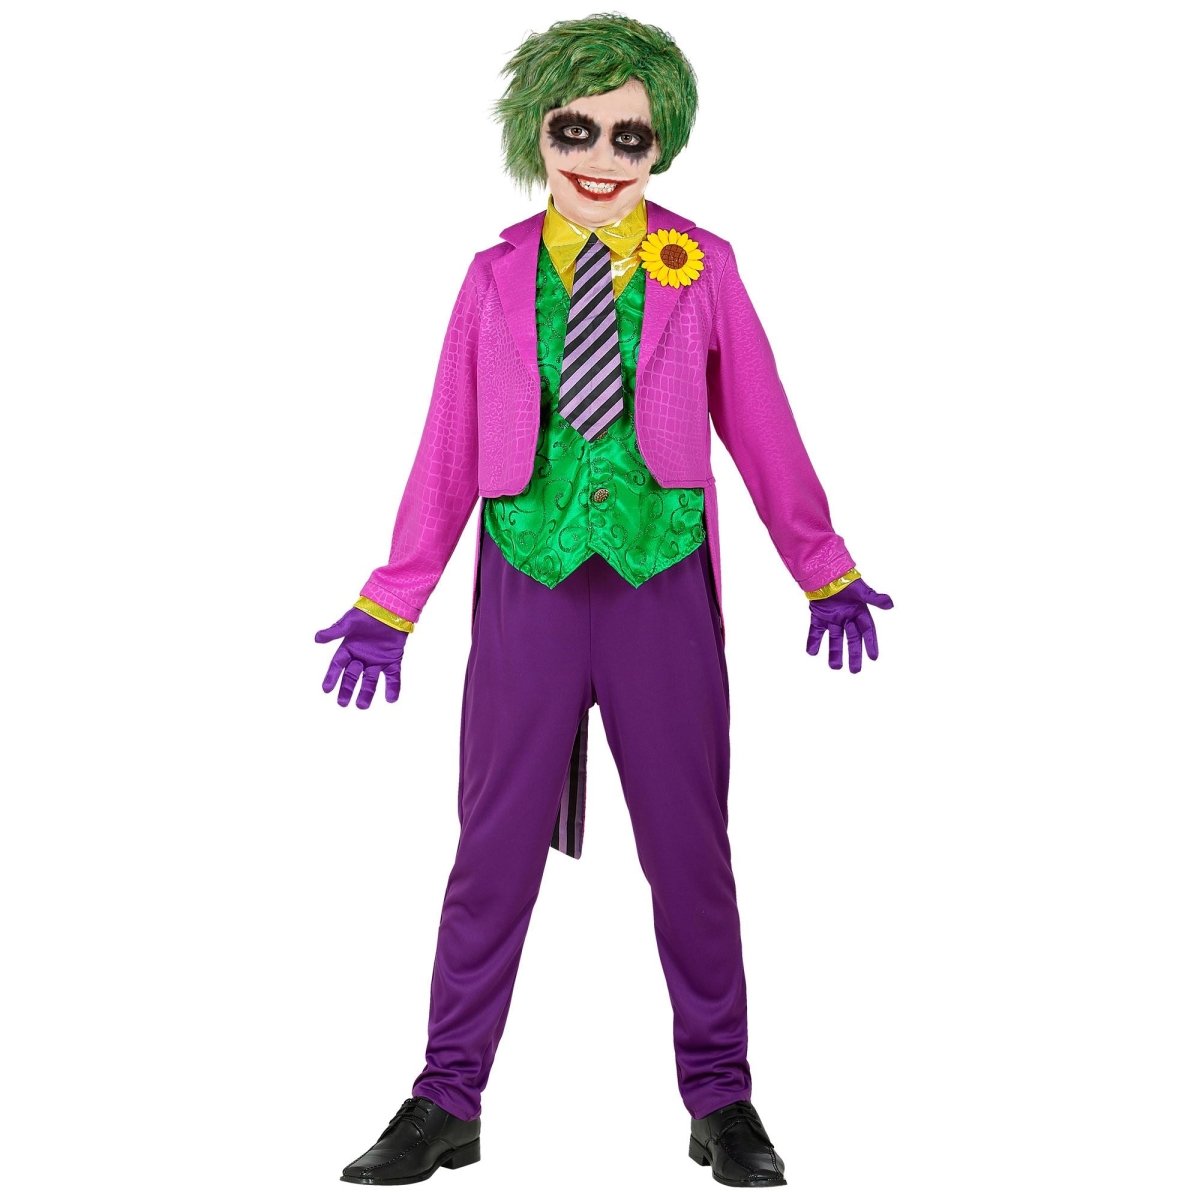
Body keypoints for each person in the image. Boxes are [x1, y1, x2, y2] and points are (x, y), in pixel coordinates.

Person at [316, 14, 893, 1189]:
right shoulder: (491, 278)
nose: (601, 157)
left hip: (658, 584)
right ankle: (446, 1097)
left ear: (661, 145)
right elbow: (447, 448)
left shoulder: (702, 266)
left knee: (690, 851)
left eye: (631, 136)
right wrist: (393, 600)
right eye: (575, 130)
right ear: (536, 134)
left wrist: (821, 565)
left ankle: (722, 1098)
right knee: (491, 851)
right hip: (527, 586)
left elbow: (762, 423)